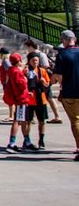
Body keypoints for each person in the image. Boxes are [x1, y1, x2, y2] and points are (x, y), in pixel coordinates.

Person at [52, 29, 79, 161]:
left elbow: (58, 76)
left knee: (76, 121)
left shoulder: (62, 55)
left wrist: (52, 82)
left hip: (71, 92)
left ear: (63, 40)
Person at [24, 39, 62, 123]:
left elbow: (46, 66)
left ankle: (57, 116)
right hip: (34, 81)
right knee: (36, 97)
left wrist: (39, 73)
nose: (26, 49)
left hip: (43, 80)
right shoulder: (31, 55)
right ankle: (33, 117)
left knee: (49, 97)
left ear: (30, 46)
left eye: (27, 47)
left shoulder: (41, 54)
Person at [4, 52, 30, 153]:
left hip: (19, 98)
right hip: (21, 99)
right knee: (18, 120)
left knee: (23, 120)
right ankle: (12, 143)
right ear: (18, 61)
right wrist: (24, 76)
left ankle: (26, 140)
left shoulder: (11, 70)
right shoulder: (16, 72)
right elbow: (22, 84)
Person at [26, 53, 50, 150]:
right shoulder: (27, 71)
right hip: (30, 100)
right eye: (33, 60)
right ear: (29, 61)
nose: (35, 62)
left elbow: (48, 84)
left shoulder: (42, 71)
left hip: (41, 98)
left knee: (42, 121)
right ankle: (27, 140)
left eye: (36, 60)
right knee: (28, 121)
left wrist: (44, 82)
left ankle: (41, 140)